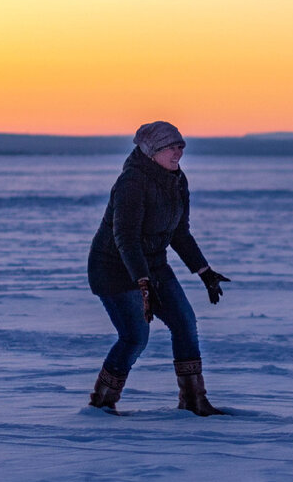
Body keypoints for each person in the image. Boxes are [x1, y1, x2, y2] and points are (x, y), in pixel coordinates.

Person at [86, 121, 231, 416]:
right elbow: (124, 238)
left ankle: (194, 400)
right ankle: (101, 403)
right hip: (114, 268)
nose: (178, 152)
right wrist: (142, 281)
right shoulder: (131, 183)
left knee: (185, 323)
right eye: (170, 147)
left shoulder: (177, 180)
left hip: (154, 265)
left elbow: (179, 232)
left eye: (180, 146)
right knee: (136, 336)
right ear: (151, 151)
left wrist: (204, 271)